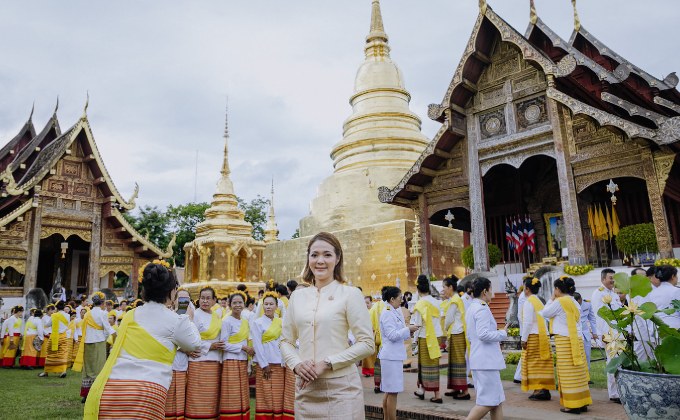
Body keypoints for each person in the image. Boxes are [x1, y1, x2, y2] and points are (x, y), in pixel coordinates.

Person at [83, 261, 201, 419]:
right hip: (147, 391)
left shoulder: (131, 315)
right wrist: (189, 317)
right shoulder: (177, 320)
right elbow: (194, 343)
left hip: (112, 389)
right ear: (171, 292)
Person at [280, 232, 374, 419]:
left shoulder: (350, 294)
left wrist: (328, 363)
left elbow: (367, 343)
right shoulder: (298, 297)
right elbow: (285, 341)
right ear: (308, 259)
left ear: (337, 258)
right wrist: (297, 365)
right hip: (306, 389)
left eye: (327, 254)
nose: (320, 260)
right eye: (314, 255)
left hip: (342, 390)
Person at [540, 277, 592, 414]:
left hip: (565, 341)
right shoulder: (574, 301)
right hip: (577, 340)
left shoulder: (560, 301)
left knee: (567, 374)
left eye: (555, 289)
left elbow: (544, 313)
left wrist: (551, 298)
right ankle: (582, 402)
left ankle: (572, 405)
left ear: (557, 289)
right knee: (578, 373)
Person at [465, 277, 507, 420]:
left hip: (483, 360)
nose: (493, 294)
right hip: (485, 361)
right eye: (491, 290)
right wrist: (502, 333)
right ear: (484, 291)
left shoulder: (473, 307)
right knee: (487, 402)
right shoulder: (481, 308)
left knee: (496, 401)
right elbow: (483, 334)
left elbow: (473, 336)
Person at [252, 291, 295, 420]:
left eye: (271, 304)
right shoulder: (257, 323)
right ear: (262, 306)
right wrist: (264, 365)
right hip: (265, 365)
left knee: (278, 395)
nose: (268, 307)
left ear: (277, 306)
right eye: (266, 304)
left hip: (280, 364)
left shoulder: (282, 322)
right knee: (265, 395)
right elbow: (257, 346)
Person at [378, 286, 418, 420]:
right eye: (400, 298)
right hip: (390, 356)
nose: (401, 300)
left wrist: (409, 331)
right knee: (393, 392)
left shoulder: (393, 311)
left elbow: (399, 331)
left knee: (389, 391)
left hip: (393, 355)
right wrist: (408, 329)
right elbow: (392, 335)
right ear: (392, 299)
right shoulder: (387, 313)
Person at [186, 286, 224, 420]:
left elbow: (221, 339)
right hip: (197, 361)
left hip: (214, 363)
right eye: (202, 298)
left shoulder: (217, 317)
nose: (205, 301)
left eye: (208, 298)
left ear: (214, 300)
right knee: (196, 395)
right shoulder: (194, 315)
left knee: (211, 396)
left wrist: (216, 347)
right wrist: (210, 345)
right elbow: (190, 339)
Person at [73, 291, 117, 401]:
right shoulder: (103, 313)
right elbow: (108, 328)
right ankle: (96, 392)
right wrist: (112, 336)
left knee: (88, 367)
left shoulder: (87, 314)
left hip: (87, 341)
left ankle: (85, 394)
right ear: (102, 303)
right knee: (99, 367)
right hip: (99, 341)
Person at [520, 277, 555, 401]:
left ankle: (539, 389)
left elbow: (528, 323)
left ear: (527, 289)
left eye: (524, 287)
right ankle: (544, 389)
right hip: (542, 336)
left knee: (534, 363)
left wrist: (523, 339)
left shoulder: (529, 301)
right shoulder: (539, 301)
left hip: (534, 336)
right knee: (543, 363)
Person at [219, 290, 253, 420]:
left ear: (244, 304)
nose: (237, 305)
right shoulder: (227, 321)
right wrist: (242, 347)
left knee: (242, 393)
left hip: (243, 360)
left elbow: (247, 340)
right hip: (231, 361)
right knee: (231, 393)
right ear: (229, 304)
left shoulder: (244, 320)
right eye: (234, 302)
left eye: (240, 302)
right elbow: (223, 344)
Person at [590, 268, 621, 403]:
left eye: (614, 278)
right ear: (603, 279)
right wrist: (602, 334)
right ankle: (614, 393)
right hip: (608, 333)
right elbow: (598, 315)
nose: (612, 280)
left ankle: (619, 390)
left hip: (618, 332)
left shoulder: (613, 294)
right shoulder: (598, 293)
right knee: (612, 362)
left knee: (619, 362)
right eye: (610, 278)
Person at [412, 274, 443, 403]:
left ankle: (437, 395)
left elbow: (418, 325)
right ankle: (422, 390)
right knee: (431, 365)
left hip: (426, 336)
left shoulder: (420, 303)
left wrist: (414, 341)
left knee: (426, 366)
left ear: (418, 290)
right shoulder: (437, 302)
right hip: (437, 335)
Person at [165, 289, 195, 420]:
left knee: (181, 397)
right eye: (180, 298)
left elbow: (194, 340)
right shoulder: (168, 316)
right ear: (174, 300)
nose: (183, 302)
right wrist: (184, 347)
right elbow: (167, 338)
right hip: (169, 363)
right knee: (169, 398)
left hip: (184, 364)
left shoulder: (191, 316)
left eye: (186, 299)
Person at [441, 276, 470, 400]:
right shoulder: (455, 299)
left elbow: (448, 319)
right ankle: (456, 387)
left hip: (457, 333)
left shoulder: (454, 300)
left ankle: (465, 391)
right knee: (454, 361)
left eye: (444, 287)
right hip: (455, 332)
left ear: (451, 287)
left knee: (458, 361)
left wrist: (445, 329)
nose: (443, 290)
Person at [39, 301, 70, 377]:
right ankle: (63, 371)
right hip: (63, 337)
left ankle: (46, 372)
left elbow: (47, 325)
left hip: (54, 337)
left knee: (50, 354)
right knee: (63, 354)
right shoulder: (67, 316)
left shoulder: (54, 315)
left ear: (56, 307)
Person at [574, 292, 597, 375]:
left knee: (587, 354)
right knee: (577, 355)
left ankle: (587, 376)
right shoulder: (571, 305)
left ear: (579, 299)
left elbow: (592, 319)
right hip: (575, 333)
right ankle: (578, 375)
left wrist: (595, 332)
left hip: (585, 334)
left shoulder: (587, 304)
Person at [369, 291, 386, 393]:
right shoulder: (389, 307)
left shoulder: (374, 308)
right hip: (386, 341)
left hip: (376, 339)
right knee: (386, 364)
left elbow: (369, 325)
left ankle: (377, 385)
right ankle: (385, 385)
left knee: (377, 364)